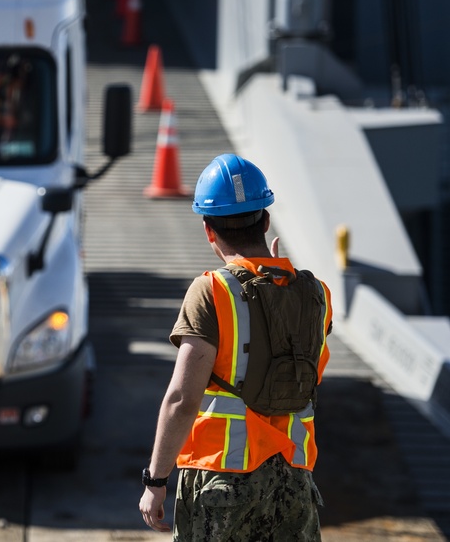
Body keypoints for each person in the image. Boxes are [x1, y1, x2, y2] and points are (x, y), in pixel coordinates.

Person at [139, 153, 333, 540]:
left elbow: (182, 398)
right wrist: (279, 282)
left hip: (222, 487)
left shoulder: (211, 291)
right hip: (294, 485)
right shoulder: (315, 294)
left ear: (208, 229)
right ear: (265, 220)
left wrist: (156, 479)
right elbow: (302, 373)